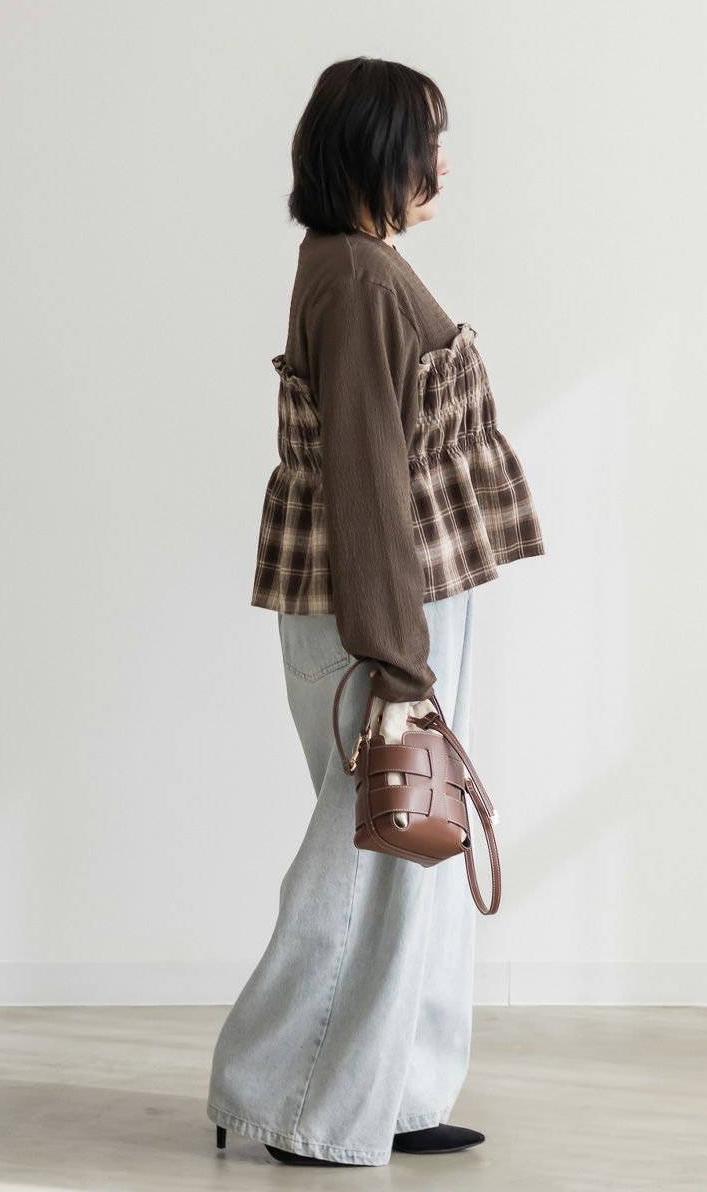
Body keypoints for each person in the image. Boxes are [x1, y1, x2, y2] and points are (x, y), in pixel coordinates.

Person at [206, 56, 546, 1167]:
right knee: (368, 862)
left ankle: (389, 1090)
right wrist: (399, 670)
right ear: (372, 151)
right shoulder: (356, 281)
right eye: (424, 142)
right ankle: (291, 1099)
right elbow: (365, 482)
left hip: (398, 606)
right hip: (381, 616)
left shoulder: (357, 265)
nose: (440, 163)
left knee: (411, 847)